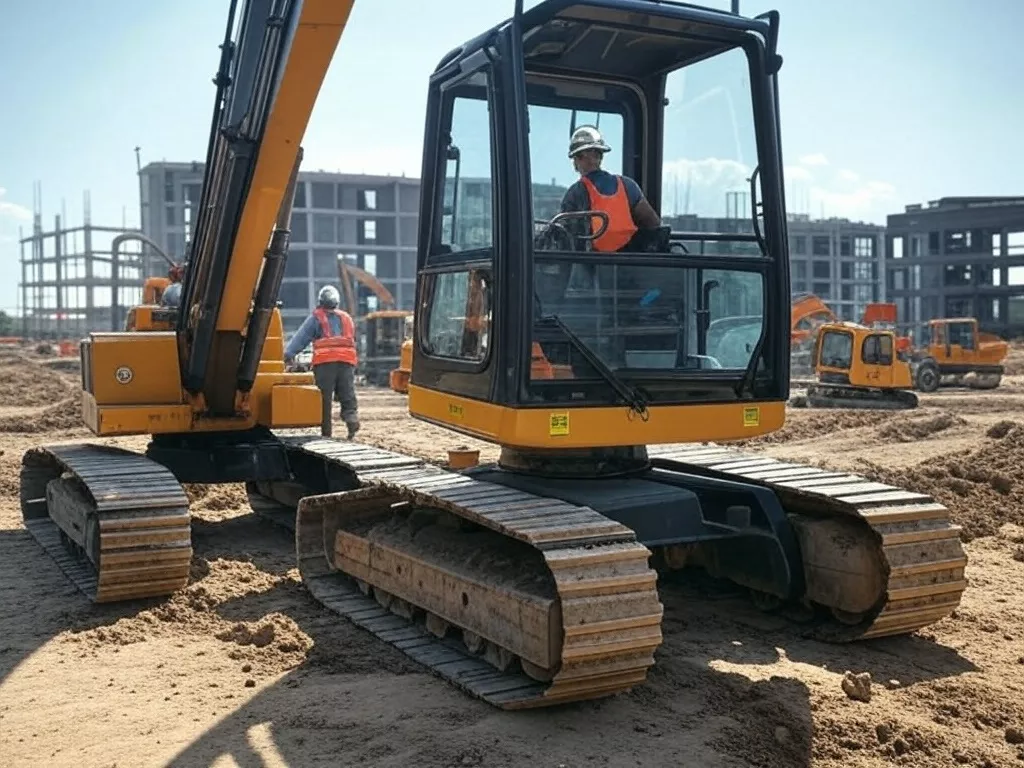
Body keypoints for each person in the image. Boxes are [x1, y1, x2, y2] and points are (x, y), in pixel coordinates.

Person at [559, 125, 662, 251]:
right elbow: (653, 223)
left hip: (592, 266)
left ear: (577, 159)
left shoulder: (574, 194)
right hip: (630, 263)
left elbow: (564, 236)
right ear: (600, 157)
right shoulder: (628, 186)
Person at [284, 285, 361, 439]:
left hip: (325, 364)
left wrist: (288, 355)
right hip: (347, 362)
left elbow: (302, 338)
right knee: (347, 392)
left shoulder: (316, 318)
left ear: (321, 301)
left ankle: (326, 433)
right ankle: (351, 419)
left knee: (324, 399)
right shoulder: (347, 318)